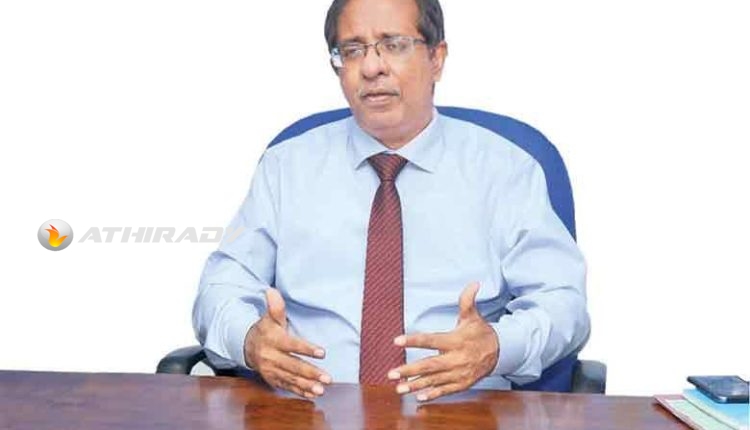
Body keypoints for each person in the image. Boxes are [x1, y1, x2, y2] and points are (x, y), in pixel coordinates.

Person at [192, 0, 590, 402]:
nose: (371, 67)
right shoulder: (285, 167)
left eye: (394, 45)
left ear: (437, 58)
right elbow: (220, 287)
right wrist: (249, 340)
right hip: (305, 412)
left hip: (461, 415)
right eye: (352, 49)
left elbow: (563, 303)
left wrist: (497, 347)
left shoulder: (505, 170)